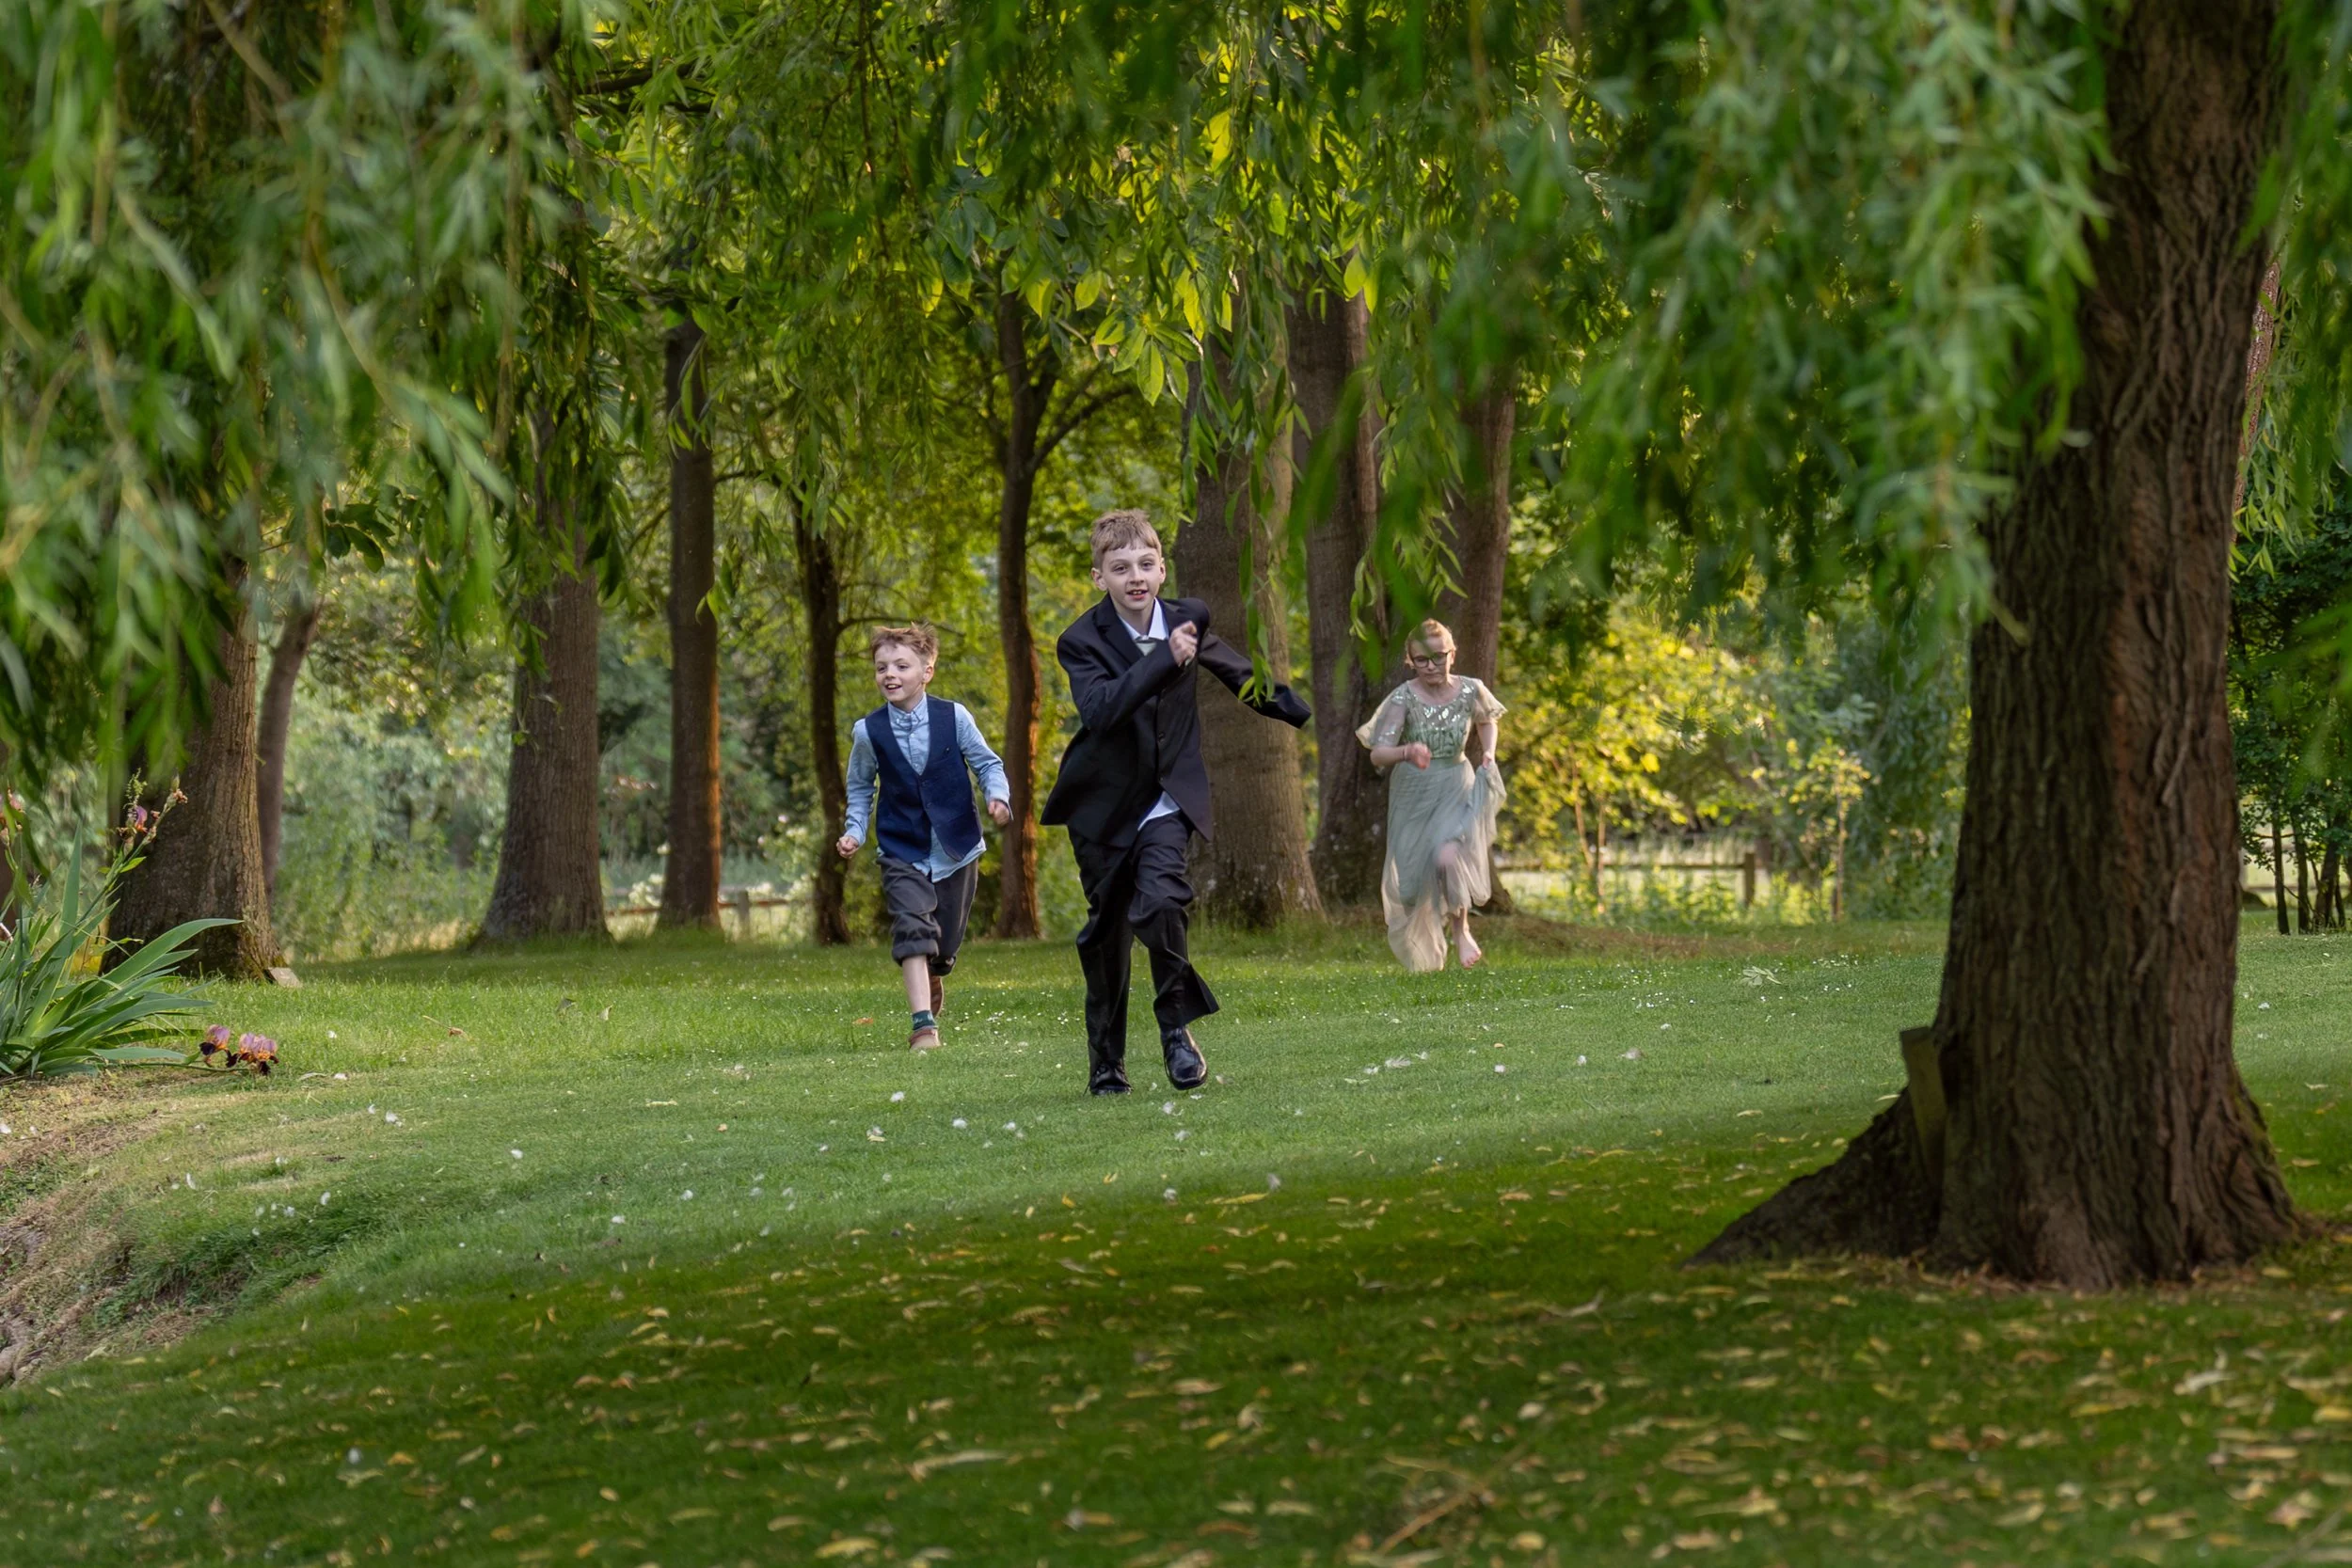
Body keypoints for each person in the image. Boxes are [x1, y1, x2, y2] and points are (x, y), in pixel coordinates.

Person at [1041, 510, 1312, 1096]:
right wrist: (1164, 657)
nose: (1134, 576)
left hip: (1166, 797)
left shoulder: (1187, 619)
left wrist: (1307, 714)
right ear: (1099, 578)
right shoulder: (1081, 641)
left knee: (1162, 903)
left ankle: (1175, 1033)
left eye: (1145, 564)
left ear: (1162, 568)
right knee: (1108, 933)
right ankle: (1106, 1063)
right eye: (1119, 568)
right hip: (1103, 806)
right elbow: (1104, 711)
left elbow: (1242, 676)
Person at [835, 625, 1011, 1051]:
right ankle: (923, 1027)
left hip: (956, 847)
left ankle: (937, 966)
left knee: (944, 942)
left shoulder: (955, 717)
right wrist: (854, 831)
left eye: (901, 666)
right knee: (912, 928)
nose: (889, 675)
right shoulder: (868, 731)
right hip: (902, 848)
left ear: (927, 671)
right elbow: (860, 787)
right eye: (881, 668)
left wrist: (998, 797)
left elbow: (988, 765)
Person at [1358, 618, 1506, 972]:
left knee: (1447, 852)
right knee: (1409, 887)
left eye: (1438, 657)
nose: (1431, 667)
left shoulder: (1472, 690)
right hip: (1413, 790)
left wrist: (1488, 752)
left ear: (1452, 655)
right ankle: (1426, 950)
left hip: (1455, 781)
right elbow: (1378, 752)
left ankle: (1462, 931)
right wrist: (1407, 751)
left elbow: (1487, 720)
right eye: (1422, 660)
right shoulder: (1403, 698)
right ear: (1410, 661)